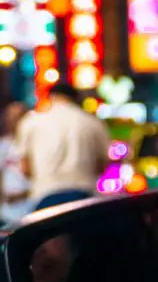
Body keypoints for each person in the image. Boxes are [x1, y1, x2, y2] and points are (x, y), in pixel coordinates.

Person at [17, 82, 110, 211]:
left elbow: (25, 168)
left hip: (45, 196)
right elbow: (102, 166)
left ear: (50, 97)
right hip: (84, 197)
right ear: (76, 98)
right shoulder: (93, 123)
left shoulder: (31, 122)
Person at [0, 102, 30, 227]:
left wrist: (24, 194)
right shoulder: (1, 145)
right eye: (10, 118)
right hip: (6, 213)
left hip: (31, 210)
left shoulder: (36, 144)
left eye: (18, 117)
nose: (13, 122)